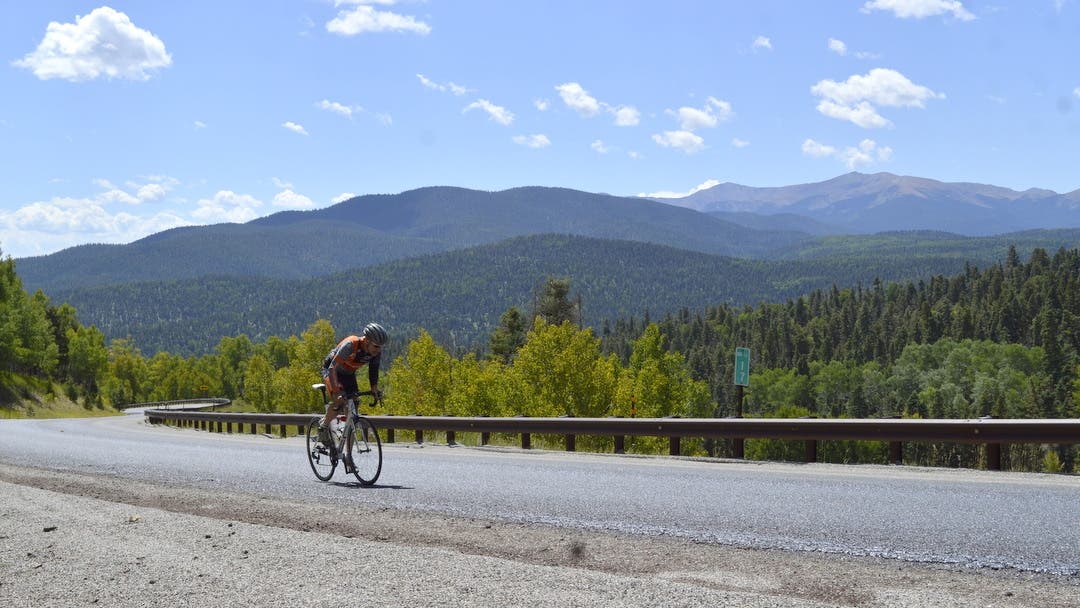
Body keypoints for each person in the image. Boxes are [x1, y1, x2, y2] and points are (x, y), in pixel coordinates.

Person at [317, 323, 389, 446]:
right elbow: (332, 368)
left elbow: (373, 371)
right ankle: (323, 427)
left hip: (348, 374)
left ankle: (348, 458)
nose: (378, 350)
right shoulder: (351, 345)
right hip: (331, 370)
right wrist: (337, 392)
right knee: (339, 401)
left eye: (381, 347)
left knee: (353, 409)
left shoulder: (375, 352)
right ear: (366, 341)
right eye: (376, 346)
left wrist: (374, 390)